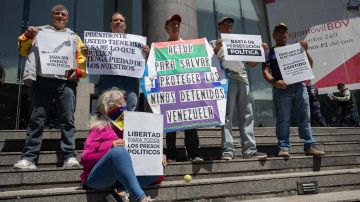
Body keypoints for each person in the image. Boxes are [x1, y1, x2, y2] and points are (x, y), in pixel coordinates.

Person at [13, 5, 86, 169]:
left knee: (68, 120)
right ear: (51, 16)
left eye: (63, 14)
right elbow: (23, 50)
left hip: (65, 82)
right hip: (42, 81)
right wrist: (27, 35)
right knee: (36, 119)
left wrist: (79, 73)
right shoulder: (38, 32)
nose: (60, 16)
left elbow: (82, 60)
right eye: (56, 14)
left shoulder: (74, 37)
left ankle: (69, 156)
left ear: (67, 19)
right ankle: (28, 158)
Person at [81, 88, 161, 202]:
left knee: (157, 164)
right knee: (119, 152)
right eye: (121, 103)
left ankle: (122, 191)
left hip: (120, 178)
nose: (124, 105)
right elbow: (85, 159)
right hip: (99, 178)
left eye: (124, 102)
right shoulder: (98, 128)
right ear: (110, 107)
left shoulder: (130, 127)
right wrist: (110, 148)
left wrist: (156, 156)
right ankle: (141, 198)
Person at [262, 23, 325, 158]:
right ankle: (284, 147)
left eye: (284, 32)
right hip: (281, 89)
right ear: (274, 35)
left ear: (288, 35)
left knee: (305, 118)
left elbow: (310, 65)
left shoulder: (296, 48)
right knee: (283, 119)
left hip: (300, 86)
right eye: (279, 32)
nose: (282, 34)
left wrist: (306, 51)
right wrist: (274, 82)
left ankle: (309, 146)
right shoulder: (269, 52)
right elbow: (265, 72)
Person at [211, 17, 268, 160]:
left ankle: (249, 150)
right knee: (227, 117)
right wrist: (217, 48)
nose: (229, 25)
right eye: (225, 23)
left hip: (242, 79)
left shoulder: (240, 42)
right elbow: (209, 63)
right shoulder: (214, 42)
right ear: (219, 26)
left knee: (247, 116)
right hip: (226, 79)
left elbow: (252, 64)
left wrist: (262, 52)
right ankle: (228, 150)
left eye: (231, 23)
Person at [163, 14, 203, 163]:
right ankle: (171, 154)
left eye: (177, 24)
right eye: (172, 24)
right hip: (169, 91)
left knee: (191, 122)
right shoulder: (160, 48)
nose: (176, 26)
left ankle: (194, 153)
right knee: (170, 122)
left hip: (188, 90)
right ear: (166, 28)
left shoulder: (190, 46)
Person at [95, 12, 149, 111]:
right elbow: (94, 59)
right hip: (108, 80)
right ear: (110, 24)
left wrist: (146, 53)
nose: (118, 22)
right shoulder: (100, 42)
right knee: (107, 111)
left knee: (130, 112)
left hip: (130, 82)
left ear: (125, 25)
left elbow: (143, 63)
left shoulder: (136, 43)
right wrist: (88, 53)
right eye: (115, 20)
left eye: (121, 20)